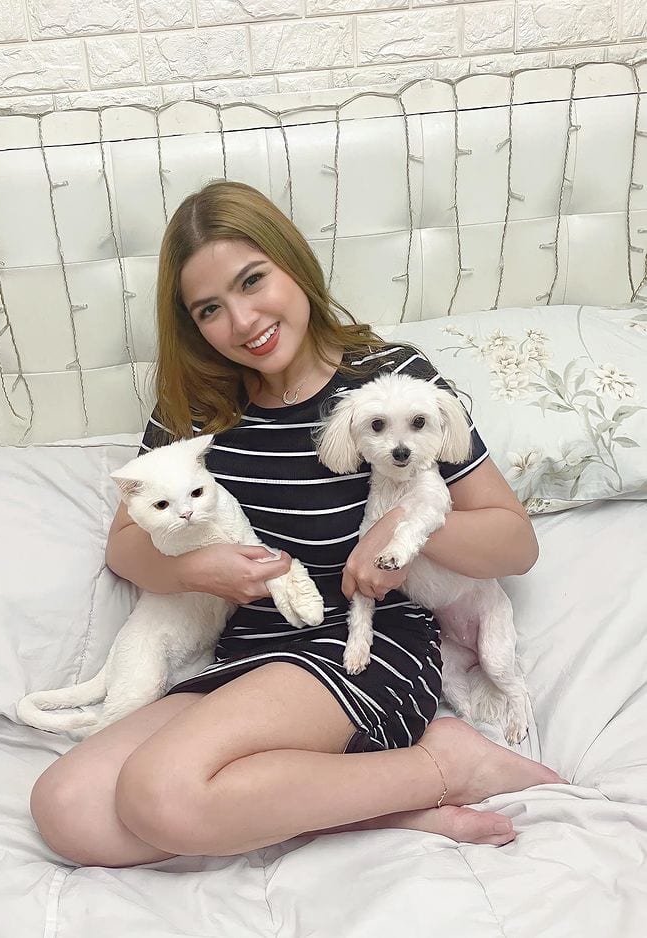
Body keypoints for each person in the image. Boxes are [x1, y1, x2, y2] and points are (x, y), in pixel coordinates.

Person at [30, 181, 565, 868]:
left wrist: (404, 527)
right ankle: (391, 805)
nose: (242, 320)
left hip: (365, 647)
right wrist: (193, 569)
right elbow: (125, 547)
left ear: (293, 264)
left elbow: (515, 542)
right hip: (246, 654)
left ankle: (448, 764)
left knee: (161, 794)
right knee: (68, 808)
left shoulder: (388, 380)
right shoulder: (195, 408)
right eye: (210, 310)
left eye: (253, 281)